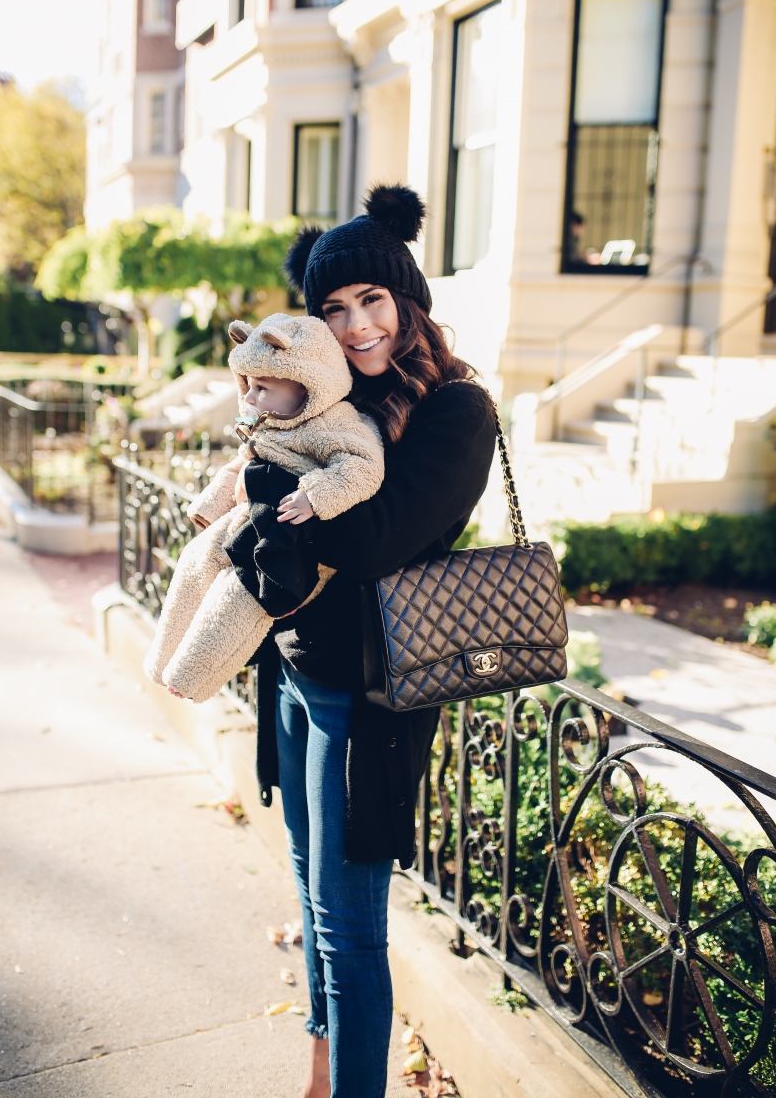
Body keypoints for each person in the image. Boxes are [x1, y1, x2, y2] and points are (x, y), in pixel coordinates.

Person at [252, 183, 497, 1098]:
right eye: (333, 309)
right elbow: (263, 499)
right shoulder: (333, 403)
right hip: (297, 678)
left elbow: (366, 542)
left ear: (408, 300)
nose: (355, 326)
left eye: (372, 301)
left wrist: (270, 505)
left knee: (351, 929)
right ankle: (318, 1076)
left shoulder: (455, 412)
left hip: (370, 699)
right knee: (312, 909)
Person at [142, 311, 384, 703]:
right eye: (249, 386)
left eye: (263, 388)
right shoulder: (274, 422)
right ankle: (161, 656)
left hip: (289, 541)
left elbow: (363, 467)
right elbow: (242, 463)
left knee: (238, 597)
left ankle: (189, 677)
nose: (251, 397)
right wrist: (211, 507)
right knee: (195, 559)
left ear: (309, 384)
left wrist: (315, 494)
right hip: (247, 520)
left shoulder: (337, 424)